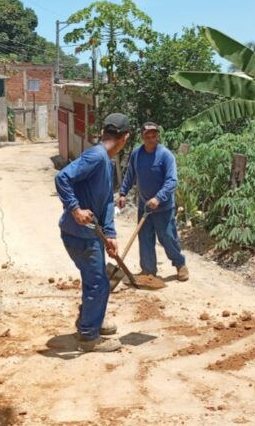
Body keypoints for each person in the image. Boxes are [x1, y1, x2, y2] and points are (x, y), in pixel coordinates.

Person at [55, 113, 131, 352]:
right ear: (125, 138)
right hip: (79, 235)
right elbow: (62, 177)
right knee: (98, 282)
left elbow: (107, 200)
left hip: (91, 235)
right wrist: (75, 208)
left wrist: (110, 234)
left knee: (99, 280)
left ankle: (91, 321)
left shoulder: (106, 162)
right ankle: (88, 336)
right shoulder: (96, 156)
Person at [118, 122, 188, 281]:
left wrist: (158, 198)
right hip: (144, 206)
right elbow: (130, 174)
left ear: (158, 135)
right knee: (145, 239)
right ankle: (148, 271)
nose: (150, 138)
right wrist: (123, 193)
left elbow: (172, 181)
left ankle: (180, 265)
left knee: (168, 238)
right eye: (147, 135)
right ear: (142, 137)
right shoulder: (137, 153)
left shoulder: (165, 155)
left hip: (163, 207)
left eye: (153, 135)